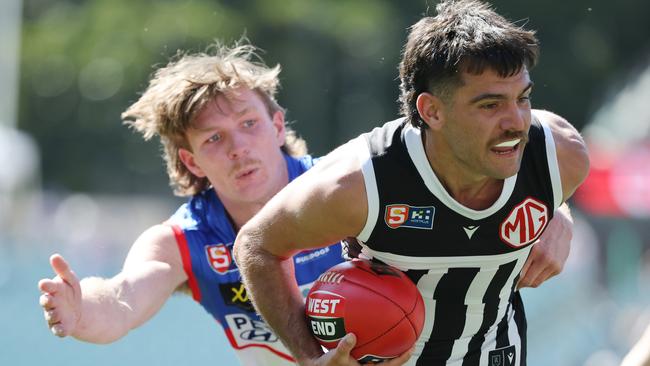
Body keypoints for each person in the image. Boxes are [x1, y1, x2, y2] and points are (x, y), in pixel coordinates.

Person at [233, 1, 590, 365]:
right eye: (490, 105)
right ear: (431, 111)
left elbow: (540, 172)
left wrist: (559, 212)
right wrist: (310, 359)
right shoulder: (359, 183)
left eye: (523, 98)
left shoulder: (560, 159)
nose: (515, 122)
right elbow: (256, 246)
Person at [36, 41, 345, 366]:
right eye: (213, 138)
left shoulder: (344, 185)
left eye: (248, 123)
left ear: (278, 127)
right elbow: (121, 299)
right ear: (192, 162)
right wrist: (82, 309)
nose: (237, 147)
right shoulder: (184, 240)